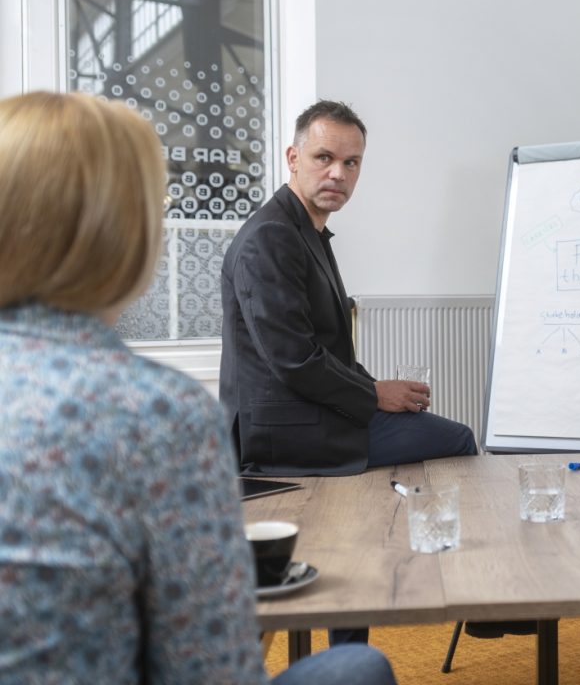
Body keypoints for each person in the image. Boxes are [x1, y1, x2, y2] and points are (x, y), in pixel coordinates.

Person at [0, 92, 396, 684]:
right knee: (360, 669)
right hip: (288, 433)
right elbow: (213, 669)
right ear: (130, 236)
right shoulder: (160, 415)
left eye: (351, 162)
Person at [220, 98, 477, 477]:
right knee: (459, 440)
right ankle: (431, 534)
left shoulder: (306, 233)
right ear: (293, 158)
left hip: (307, 415)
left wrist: (378, 389)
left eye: (350, 162)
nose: (338, 173)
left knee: (433, 433)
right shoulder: (271, 237)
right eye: (324, 157)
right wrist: (374, 395)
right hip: (284, 433)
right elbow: (294, 358)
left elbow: (328, 351)